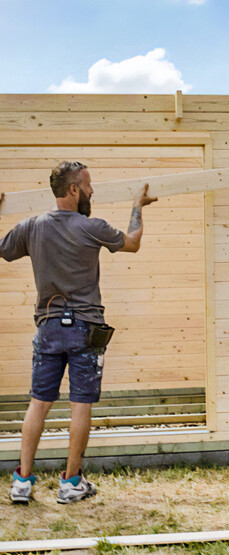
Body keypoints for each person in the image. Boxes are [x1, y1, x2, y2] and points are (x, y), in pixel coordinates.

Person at [1, 161, 157, 504]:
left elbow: (3, 249)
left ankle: (22, 482)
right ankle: (71, 483)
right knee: (80, 405)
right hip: (85, 330)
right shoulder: (91, 227)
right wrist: (137, 206)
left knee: (38, 403)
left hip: (48, 329)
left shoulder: (31, 227)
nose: (91, 191)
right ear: (73, 190)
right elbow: (132, 242)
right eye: (87, 185)